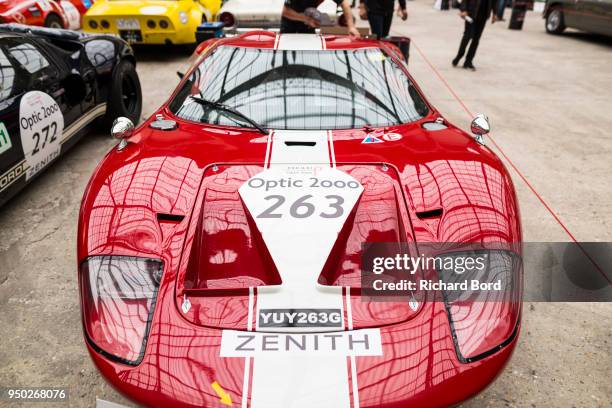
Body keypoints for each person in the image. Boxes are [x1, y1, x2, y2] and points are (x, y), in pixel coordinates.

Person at [452, 0, 497, 71]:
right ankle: (459, 56)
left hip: (483, 15)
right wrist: (463, 10)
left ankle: (468, 61)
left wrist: (495, 13)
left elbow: (495, 1)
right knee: (467, 36)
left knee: (476, 40)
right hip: (471, 13)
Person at [281, 0, 361, 37]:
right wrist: (307, 19)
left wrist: (351, 27)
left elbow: (344, 3)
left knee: (309, 50)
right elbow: (284, 11)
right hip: (289, 23)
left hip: (308, 25)